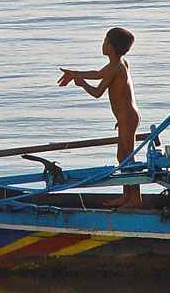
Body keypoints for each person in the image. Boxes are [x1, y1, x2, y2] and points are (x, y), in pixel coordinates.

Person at [58, 27, 141, 208]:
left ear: (110, 47)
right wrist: (74, 73)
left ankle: (135, 197)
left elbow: (97, 92)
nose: (102, 44)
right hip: (126, 117)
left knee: (127, 157)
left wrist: (81, 84)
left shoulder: (116, 67)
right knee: (122, 156)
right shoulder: (117, 64)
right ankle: (127, 195)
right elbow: (97, 74)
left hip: (127, 117)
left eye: (104, 41)